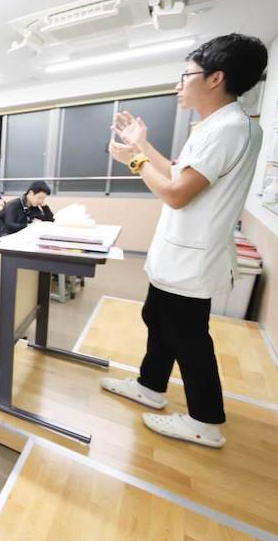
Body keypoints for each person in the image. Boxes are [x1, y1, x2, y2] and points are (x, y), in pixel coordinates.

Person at [100, 34, 268, 449]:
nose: (180, 83)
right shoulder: (219, 125)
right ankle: (150, 386)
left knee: (188, 338)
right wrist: (141, 145)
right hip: (180, 254)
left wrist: (134, 160)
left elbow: (175, 193)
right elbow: (179, 173)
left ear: (215, 78)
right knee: (157, 319)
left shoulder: (228, 129)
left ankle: (205, 421)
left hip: (192, 257)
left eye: (186, 74)